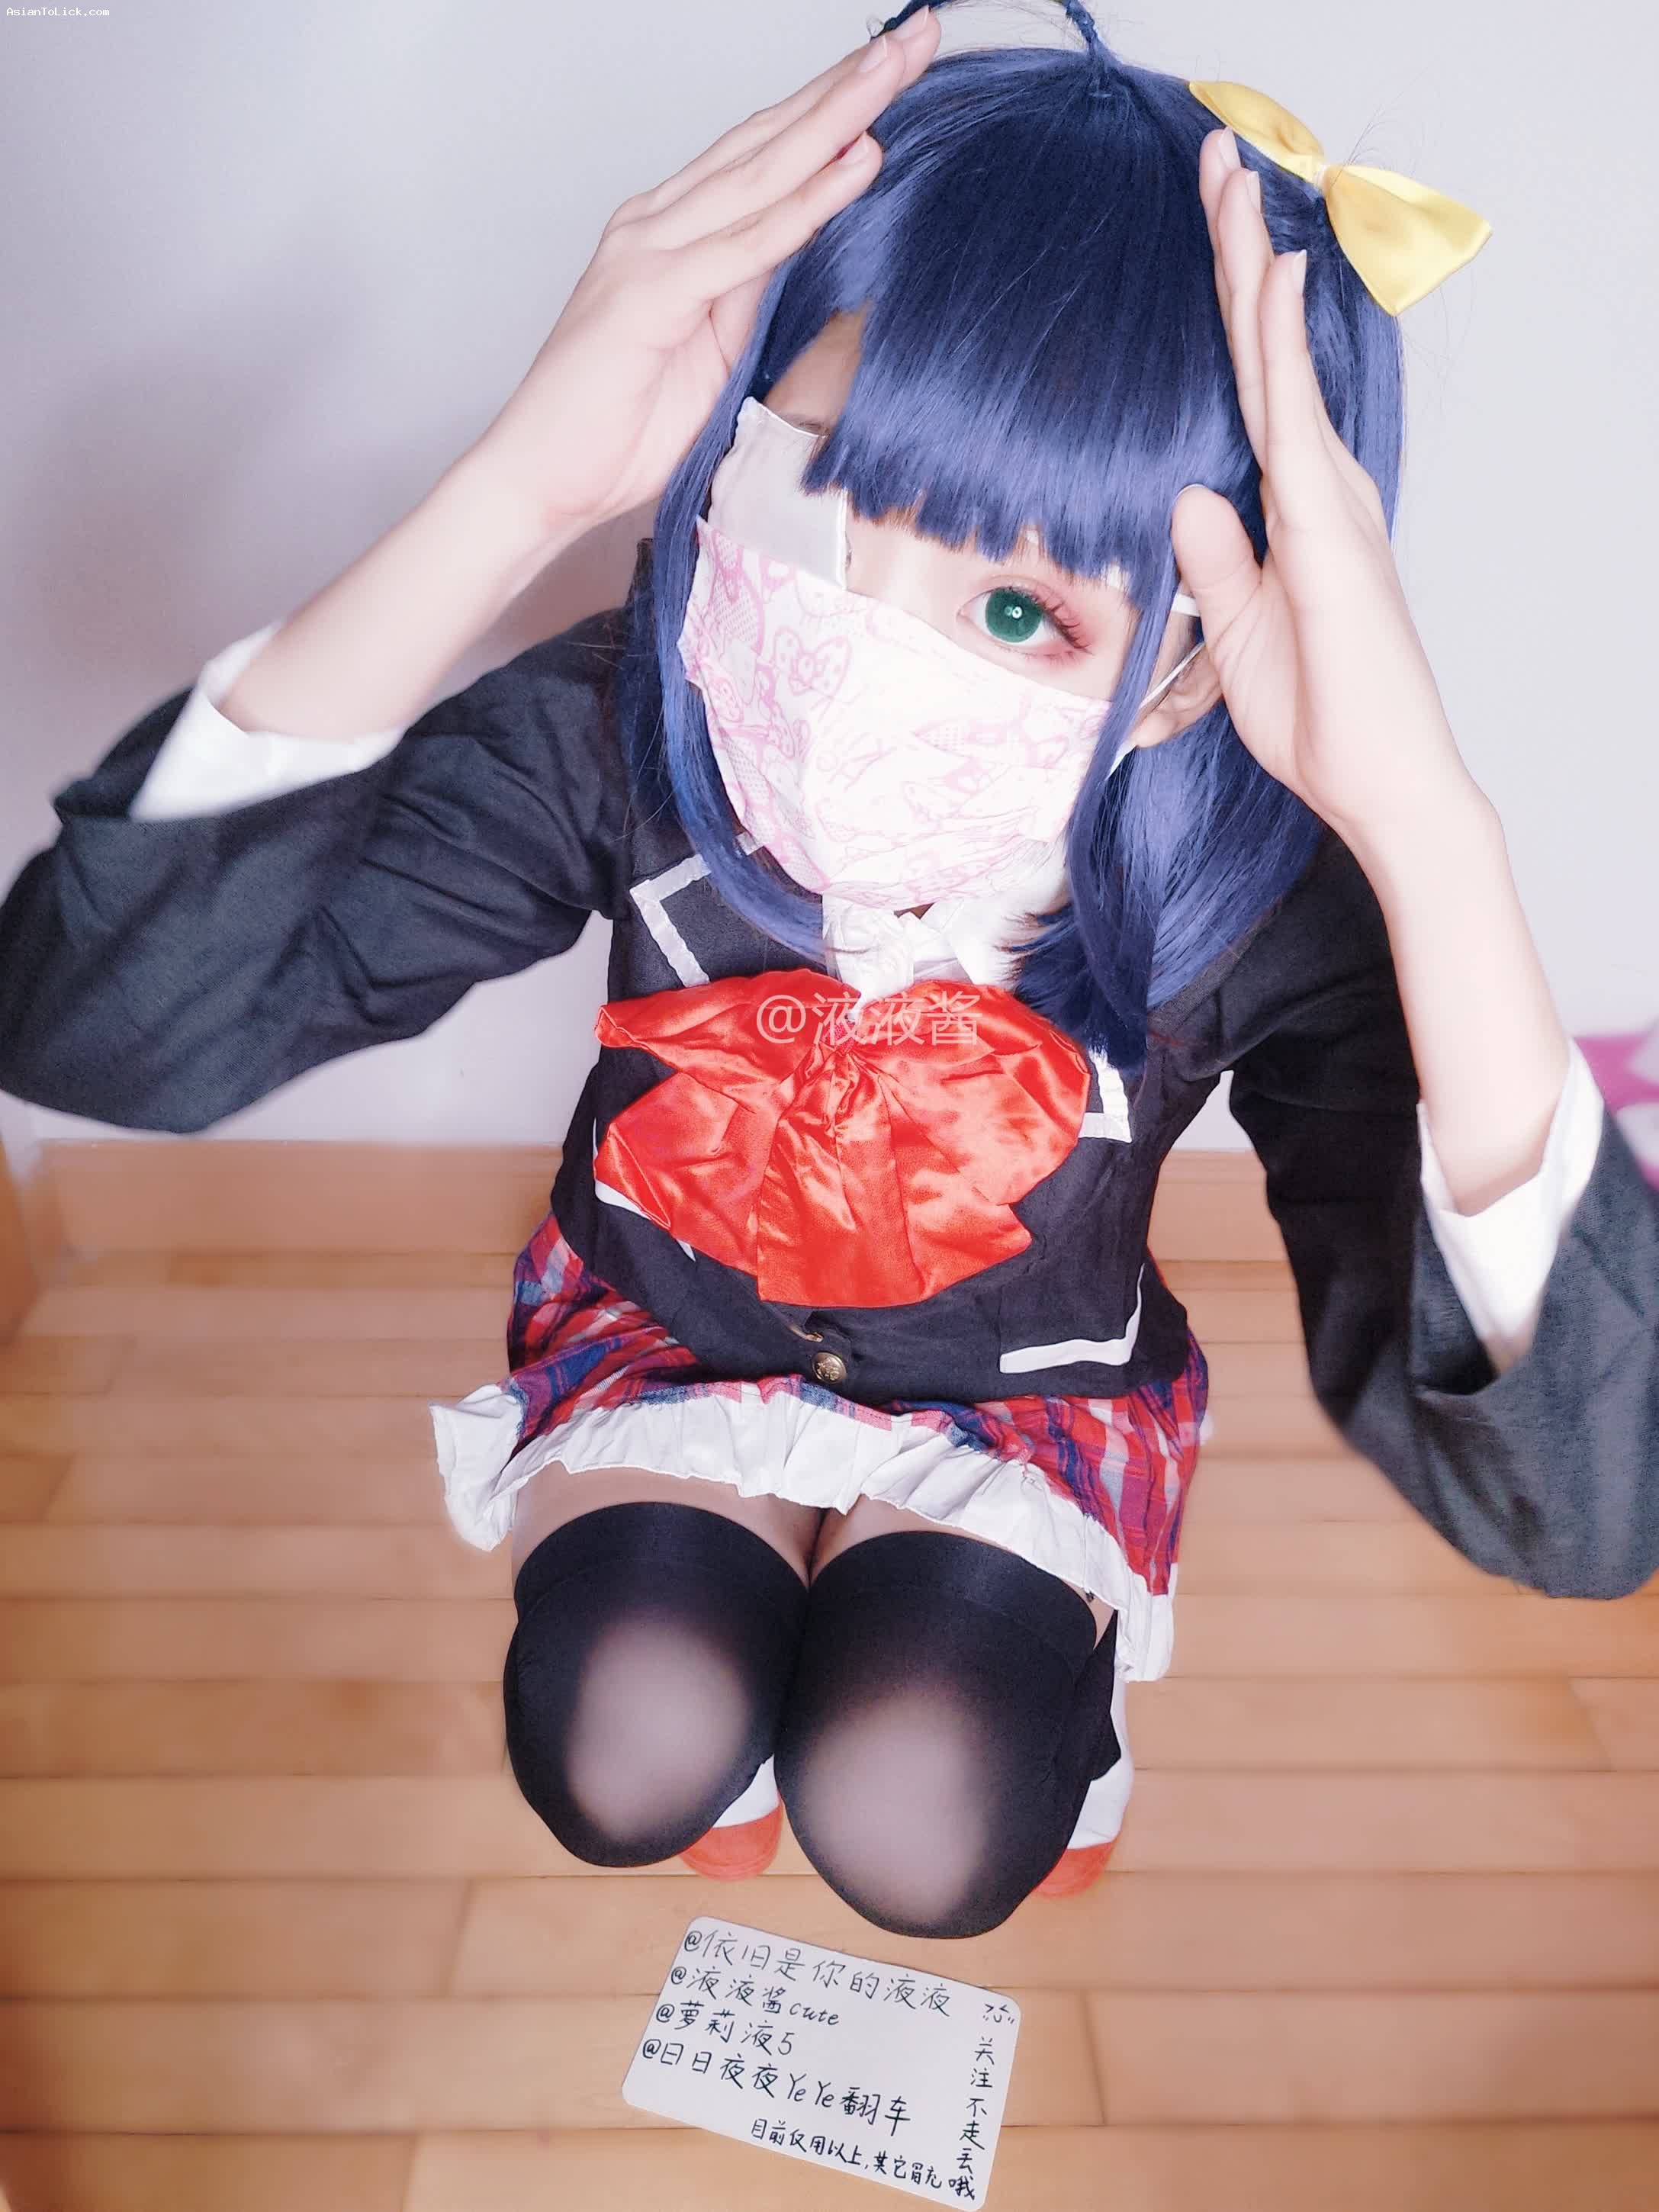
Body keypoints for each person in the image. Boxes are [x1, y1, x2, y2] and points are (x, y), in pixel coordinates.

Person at [2, 0, 1654, 1943]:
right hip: (659, 1339)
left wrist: (1422, 828)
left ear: (1196, 658)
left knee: (919, 1806)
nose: (869, 637)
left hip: (1020, 1406)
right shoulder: (628, 731)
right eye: (820, 496)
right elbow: (97, 1028)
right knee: (626, 1739)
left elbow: (1582, 1511)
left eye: (1021, 609)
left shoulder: (1240, 892)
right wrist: (512, 488)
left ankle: (1039, 1690)